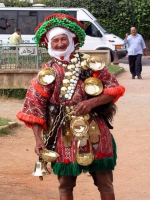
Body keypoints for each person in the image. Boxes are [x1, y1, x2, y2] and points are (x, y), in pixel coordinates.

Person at [17, 11, 125, 200]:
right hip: (61, 132)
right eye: (55, 41)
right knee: (65, 185)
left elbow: (112, 88)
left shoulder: (91, 64)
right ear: (49, 44)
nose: (59, 44)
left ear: (72, 39)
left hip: (95, 129)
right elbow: (34, 107)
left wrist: (91, 102)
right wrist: (38, 140)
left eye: (63, 39)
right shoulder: (47, 72)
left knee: (105, 182)